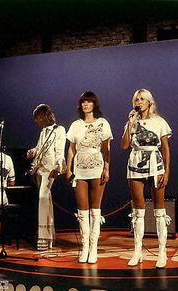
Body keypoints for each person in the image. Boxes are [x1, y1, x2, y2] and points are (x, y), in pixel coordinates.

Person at [121, 88, 172, 268]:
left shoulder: (159, 122)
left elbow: (165, 148)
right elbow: (124, 145)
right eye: (137, 99)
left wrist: (166, 172)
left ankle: (162, 251)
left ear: (149, 102)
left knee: (159, 209)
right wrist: (130, 123)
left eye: (142, 99)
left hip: (155, 163)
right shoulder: (132, 122)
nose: (139, 102)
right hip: (135, 163)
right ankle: (137, 251)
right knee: (138, 209)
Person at [66, 91, 113, 264]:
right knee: (82, 210)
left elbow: (107, 148)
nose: (86, 104)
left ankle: (93, 248)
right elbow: (71, 148)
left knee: (95, 210)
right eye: (83, 102)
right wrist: (68, 168)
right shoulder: (76, 125)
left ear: (94, 104)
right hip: (80, 169)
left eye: (89, 102)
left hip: (97, 168)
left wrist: (107, 168)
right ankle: (84, 246)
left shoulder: (103, 123)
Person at [27, 104, 66, 251]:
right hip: (40, 169)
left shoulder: (59, 130)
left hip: (50, 169)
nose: (36, 121)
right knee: (46, 200)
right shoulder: (43, 132)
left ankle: (43, 237)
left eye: (37, 118)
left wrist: (58, 167)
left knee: (43, 198)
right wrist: (32, 151)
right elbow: (39, 148)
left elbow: (60, 150)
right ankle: (50, 236)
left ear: (43, 116)